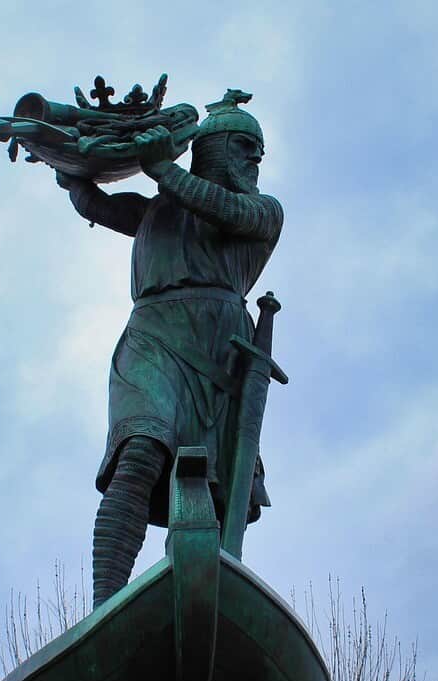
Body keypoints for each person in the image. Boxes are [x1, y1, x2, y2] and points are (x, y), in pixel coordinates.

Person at [55, 90, 284, 608]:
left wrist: (162, 169)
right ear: (213, 149)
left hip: (218, 354)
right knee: (138, 452)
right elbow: (92, 201)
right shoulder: (158, 209)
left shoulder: (262, 212)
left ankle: (195, 603)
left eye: (257, 151)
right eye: (243, 146)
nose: (253, 159)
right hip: (153, 339)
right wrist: (68, 160)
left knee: (206, 493)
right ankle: (105, 609)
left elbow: (221, 208)